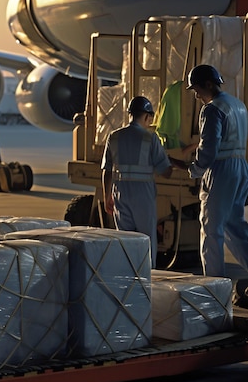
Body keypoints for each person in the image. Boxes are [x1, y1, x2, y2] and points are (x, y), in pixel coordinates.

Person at [185, 63, 248, 277]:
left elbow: (209, 147)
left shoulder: (212, 109)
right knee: (235, 227)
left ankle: (213, 285)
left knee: (211, 230)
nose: (196, 96)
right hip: (240, 167)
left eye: (196, 89)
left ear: (209, 85)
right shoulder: (238, 105)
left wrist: (195, 169)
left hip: (221, 169)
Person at [101, 96, 173, 268]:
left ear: (130, 114)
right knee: (146, 239)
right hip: (143, 195)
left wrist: (107, 196)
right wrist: (170, 161)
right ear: (148, 116)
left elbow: (106, 170)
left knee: (125, 240)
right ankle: (148, 275)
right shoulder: (150, 138)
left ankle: (127, 277)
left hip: (120, 193)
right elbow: (166, 172)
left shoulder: (114, 136)